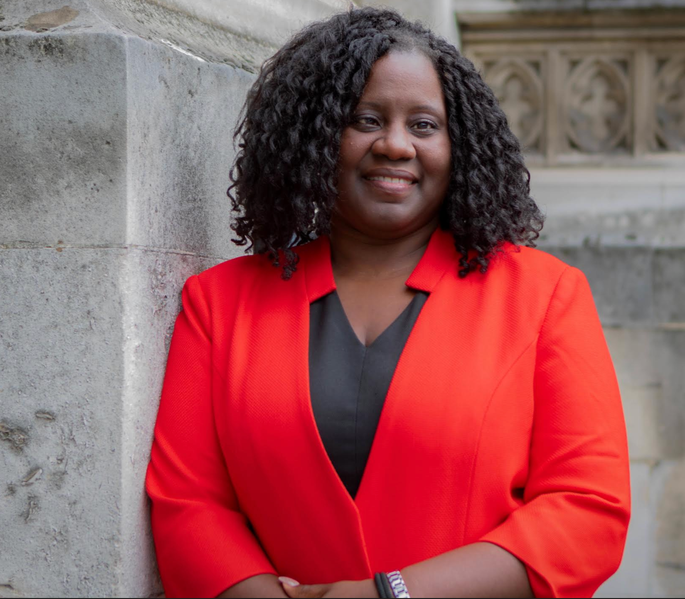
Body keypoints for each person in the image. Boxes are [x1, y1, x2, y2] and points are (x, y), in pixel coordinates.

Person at [145, 7, 631, 599]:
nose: (395, 145)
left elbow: (587, 511)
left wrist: (388, 594)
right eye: (366, 119)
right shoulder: (219, 304)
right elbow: (189, 503)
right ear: (315, 134)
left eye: (424, 125)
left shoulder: (544, 296)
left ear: (460, 146)